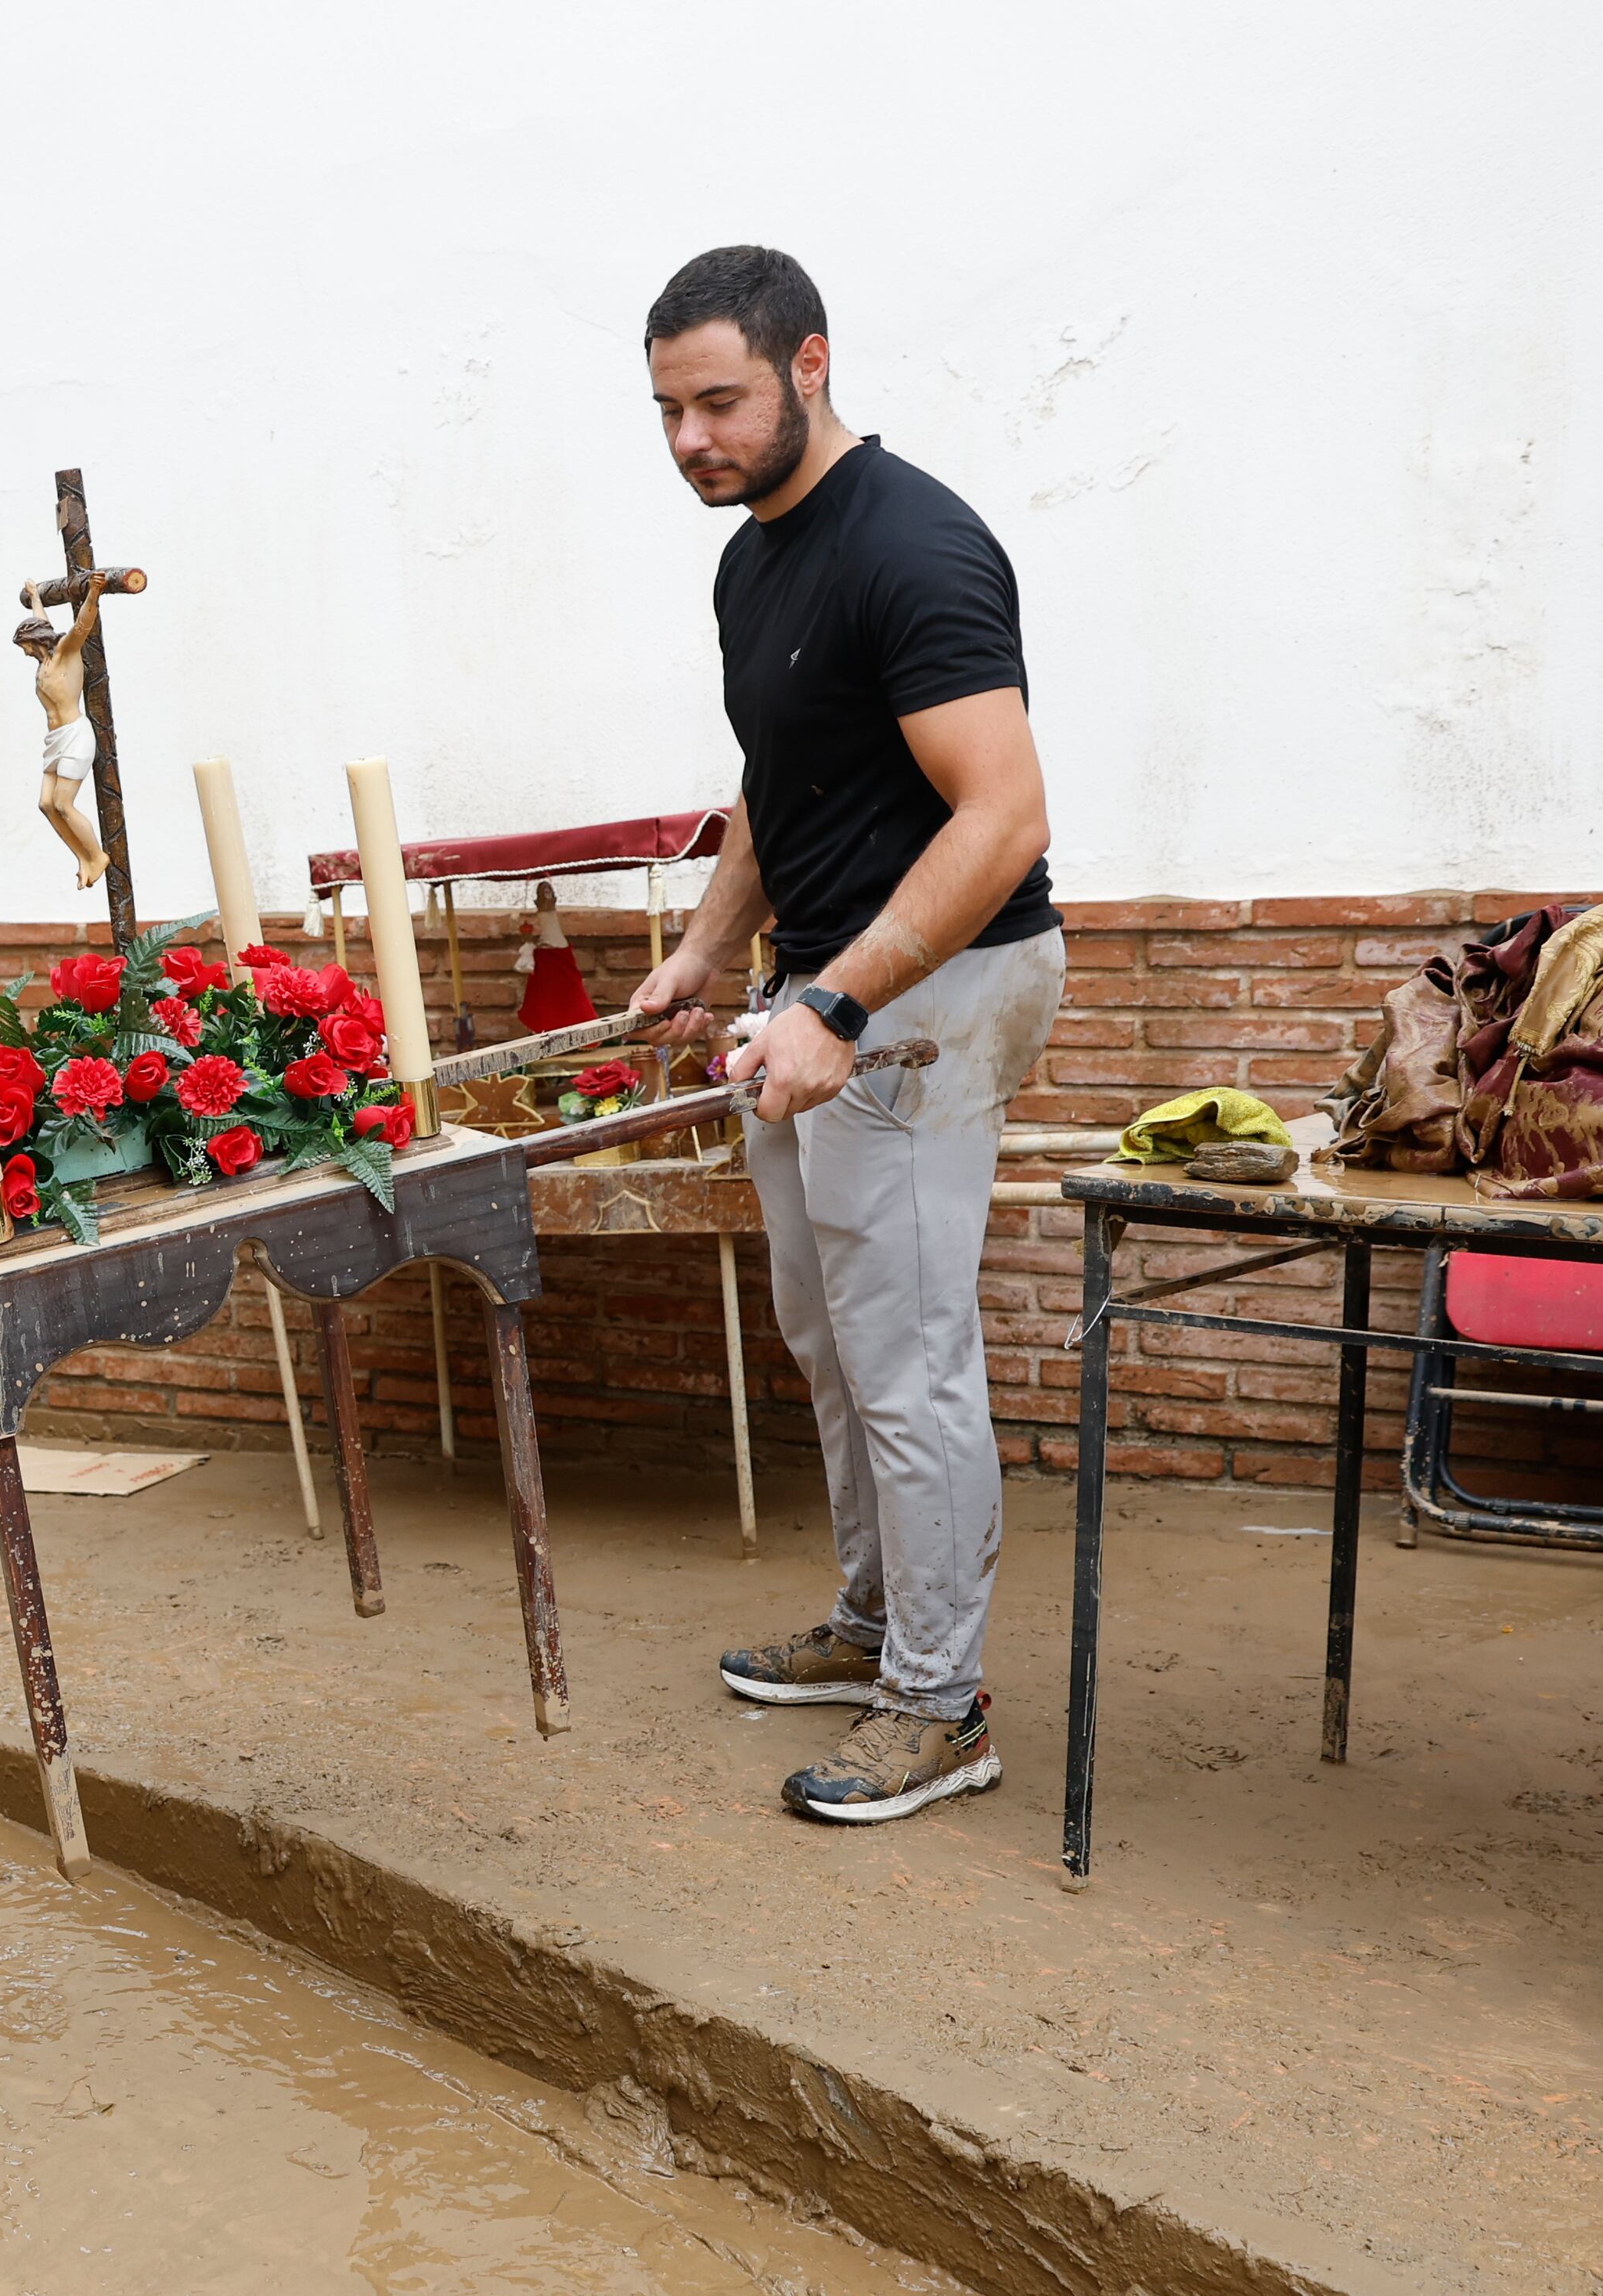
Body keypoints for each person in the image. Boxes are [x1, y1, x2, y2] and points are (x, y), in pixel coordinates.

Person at [625, 246, 1067, 1827]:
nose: (693, 438)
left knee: (910, 1359)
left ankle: (940, 1706)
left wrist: (836, 1002)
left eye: (721, 401)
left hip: (933, 990)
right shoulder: (752, 559)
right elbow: (776, 782)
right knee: (830, 1337)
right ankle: (878, 1619)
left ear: (811, 364)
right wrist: (705, 951)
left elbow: (1002, 816)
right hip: (819, 992)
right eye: (669, 409)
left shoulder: (914, 543)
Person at [16, 584, 110, 886]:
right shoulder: (43, 663)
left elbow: (82, 625)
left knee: (63, 804)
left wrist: (93, 594)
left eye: (26, 646)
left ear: (35, 641)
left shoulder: (67, 652)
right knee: (46, 804)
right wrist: (35, 599)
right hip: (55, 740)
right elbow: (42, 622)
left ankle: (97, 856)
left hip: (75, 736)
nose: (25, 652)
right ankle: (82, 857)